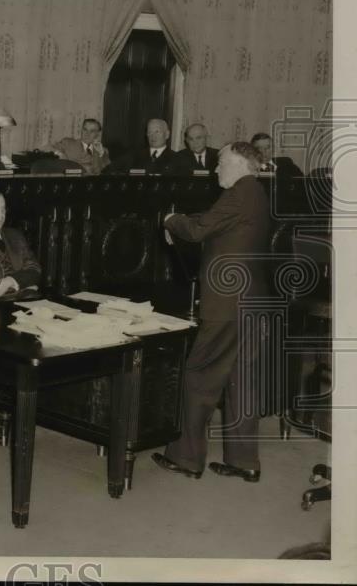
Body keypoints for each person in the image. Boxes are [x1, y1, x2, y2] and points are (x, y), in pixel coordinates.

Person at [152, 141, 271, 482]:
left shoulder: (238, 193)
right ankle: (243, 461)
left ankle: (187, 458)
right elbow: (222, 230)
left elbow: (199, 228)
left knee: (199, 375)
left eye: (221, 162)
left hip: (228, 304)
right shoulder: (256, 193)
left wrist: (171, 219)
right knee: (242, 382)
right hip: (251, 302)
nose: (215, 169)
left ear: (238, 163)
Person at [110, 118, 187, 175]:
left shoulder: (177, 159)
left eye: (157, 132)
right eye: (149, 132)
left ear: (167, 134)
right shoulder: (133, 156)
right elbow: (110, 170)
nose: (153, 136)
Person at [47, 118, 111, 175]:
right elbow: (48, 148)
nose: (87, 134)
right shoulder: (68, 143)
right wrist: (61, 155)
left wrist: (101, 154)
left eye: (92, 131)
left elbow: (106, 171)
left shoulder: (102, 151)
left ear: (97, 134)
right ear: (81, 130)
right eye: (85, 129)